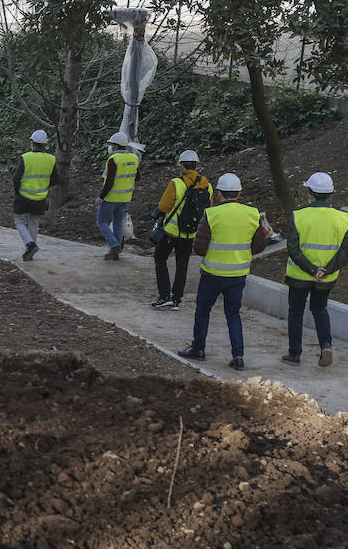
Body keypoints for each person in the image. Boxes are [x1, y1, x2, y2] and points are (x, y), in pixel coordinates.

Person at [177, 173, 271, 370]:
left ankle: (198, 348)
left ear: (219, 193)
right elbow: (259, 245)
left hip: (212, 274)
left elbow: (200, 248)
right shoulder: (253, 214)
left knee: (203, 311)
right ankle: (238, 356)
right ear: (239, 193)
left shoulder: (211, 214)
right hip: (238, 275)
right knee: (233, 314)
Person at [282, 172, 348, 367]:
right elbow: (347, 250)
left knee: (296, 311)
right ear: (329, 194)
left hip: (299, 276)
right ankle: (326, 346)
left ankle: (294, 354)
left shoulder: (299, 216)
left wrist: (312, 269)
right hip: (326, 278)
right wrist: (326, 270)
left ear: (310, 193)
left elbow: (293, 248)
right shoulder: (342, 218)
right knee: (319, 308)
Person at [150, 150, 213, 310]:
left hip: (172, 232)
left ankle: (164, 296)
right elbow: (209, 209)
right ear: (197, 165)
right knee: (182, 265)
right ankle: (176, 299)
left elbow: (164, 206)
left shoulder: (176, 183)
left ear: (182, 165)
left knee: (160, 258)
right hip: (191, 232)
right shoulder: (208, 186)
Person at [96, 131, 140, 260]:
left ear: (116, 145)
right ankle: (115, 251)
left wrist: (100, 197)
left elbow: (109, 182)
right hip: (126, 197)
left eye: (112, 144)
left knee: (101, 221)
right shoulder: (134, 158)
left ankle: (114, 244)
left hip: (111, 198)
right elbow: (137, 177)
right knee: (118, 222)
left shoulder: (113, 159)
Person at [13, 129, 55, 261]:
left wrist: (17, 193)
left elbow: (16, 178)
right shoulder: (51, 159)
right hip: (41, 198)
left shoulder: (26, 158)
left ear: (32, 143)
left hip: (24, 196)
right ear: (45, 144)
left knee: (19, 221)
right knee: (33, 223)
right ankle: (30, 251)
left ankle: (30, 245)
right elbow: (55, 179)